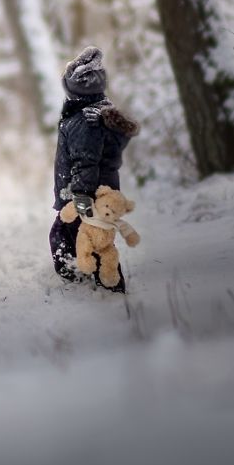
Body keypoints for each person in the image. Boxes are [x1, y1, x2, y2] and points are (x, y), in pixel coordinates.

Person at [49, 45, 139, 292]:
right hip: (99, 191)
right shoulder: (98, 113)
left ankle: (91, 283)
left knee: (70, 237)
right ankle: (92, 279)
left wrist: (80, 196)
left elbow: (85, 162)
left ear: (73, 89)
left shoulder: (83, 122)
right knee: (93, 239)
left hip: (86, 195)